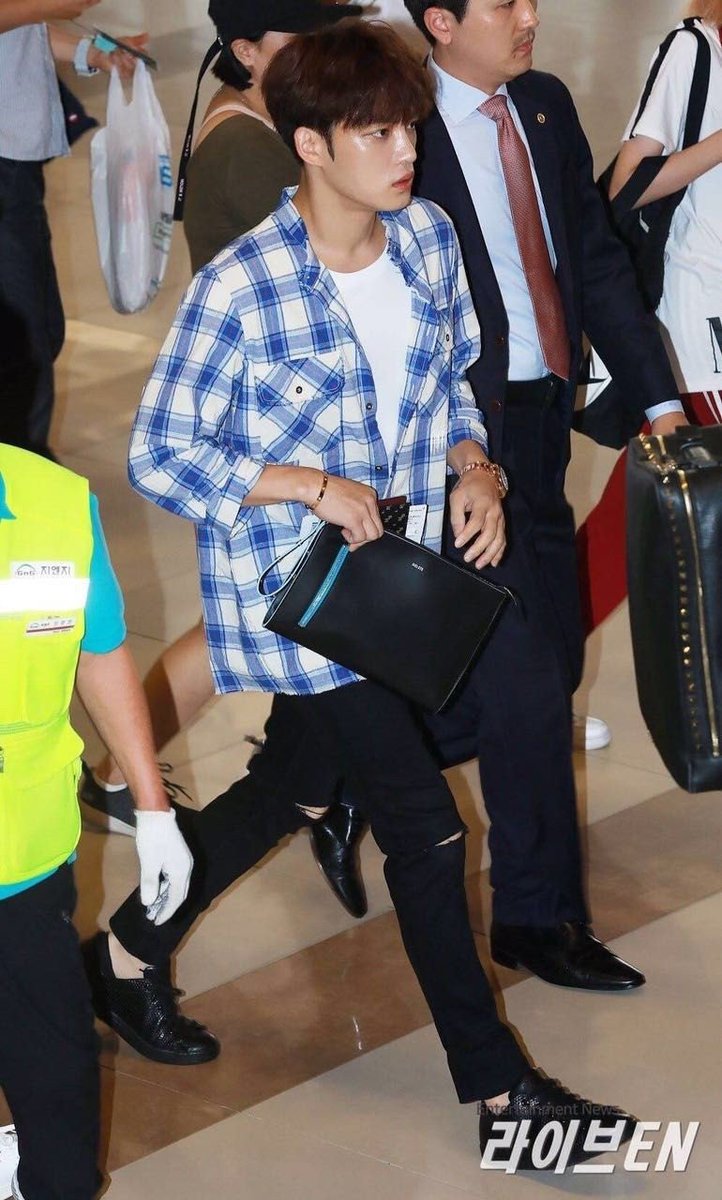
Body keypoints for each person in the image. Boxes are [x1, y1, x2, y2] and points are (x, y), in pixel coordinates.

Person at [84, 21, 638, 1169]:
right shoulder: (244, 287)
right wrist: (304, 484)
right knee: (428, 836)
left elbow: (450, 388)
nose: (404, 151)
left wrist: (474, 469)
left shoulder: (425, 239)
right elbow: (159, 454)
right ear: (309, 145)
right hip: (303, 607)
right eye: (376, 133)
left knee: (291, 783)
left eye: (408, 130)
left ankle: (125, 953)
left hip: (398, 584)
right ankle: (500, 1097)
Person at [78, 0, 370, 921]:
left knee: (259, 624)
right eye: (301, 38)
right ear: (246, 51)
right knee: (246, 626)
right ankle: (125, 771)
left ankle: (301, 777)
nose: (324, 50)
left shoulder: (258, 122)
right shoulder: (250, 147)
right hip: (271, 438)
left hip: (282, 424)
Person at [0, 439, 194, 1200]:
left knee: (54, 1072)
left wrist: (153, 806)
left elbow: (100, 648)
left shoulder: (54, 503)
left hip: (23, 852)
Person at [575, 1, 722, 630]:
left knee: (639, 510)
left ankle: (532, 644)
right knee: (647, 512)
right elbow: (626, 184)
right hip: (698, 328)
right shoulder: (696, 49)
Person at [0, 0, 144, 458]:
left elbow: (20, 29)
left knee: (43, 331)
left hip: (17, 161)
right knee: (23, 353)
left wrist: (91, 52)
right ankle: (23, 475)